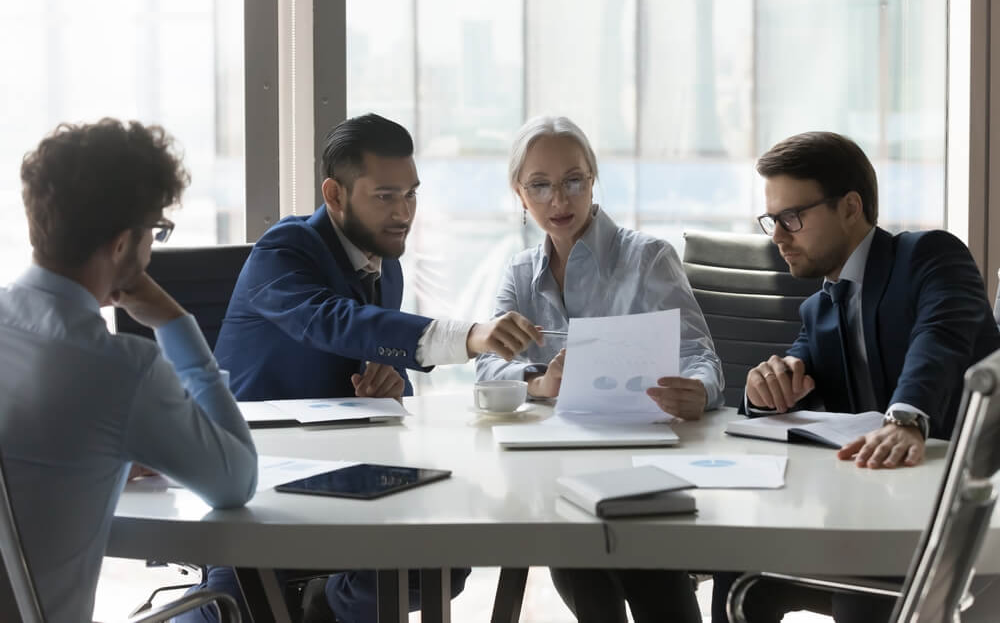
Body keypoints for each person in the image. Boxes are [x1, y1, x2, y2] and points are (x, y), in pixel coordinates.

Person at [184, 113, 542, 623]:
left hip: (343, 478)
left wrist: (391, 387)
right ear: (334, 195)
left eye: (411, 195)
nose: (404, 213)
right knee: (234, 612)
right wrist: (468, 335)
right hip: (258, 487)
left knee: (442, 561)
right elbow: (336, 322)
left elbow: (375, 352)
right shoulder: (283, 252)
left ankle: (323, 606)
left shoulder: (384, 265)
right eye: (385, 196)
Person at [712, 131, 1000, 623]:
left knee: (857, 595)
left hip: (955, 512)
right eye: (771, 220)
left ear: (850, 207)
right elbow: (790, 378)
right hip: (871, 502)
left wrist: (906, 418)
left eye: (791, 217)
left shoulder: (929, 257)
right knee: (732, 567)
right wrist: (765, 389)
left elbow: (941, 338)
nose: (778, 236)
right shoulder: (818, 310)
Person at [0, 119, 258, 623]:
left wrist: (105, 455)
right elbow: (235, 482)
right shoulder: (120, 370)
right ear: (122, 245)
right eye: (155, 231)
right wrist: (176, 323)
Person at [476, 115, 724, 623]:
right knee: (573, 540)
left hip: (640, 461)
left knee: (634, 561)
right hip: (555, 465)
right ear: (520, 195)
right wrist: (540, 382)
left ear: (593, 179)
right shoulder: (521, 273)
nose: (559, 201)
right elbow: (485, 370)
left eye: (573, 181)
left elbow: (701, 356)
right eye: (540, 186)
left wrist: (698, 389)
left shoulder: (648, 258)